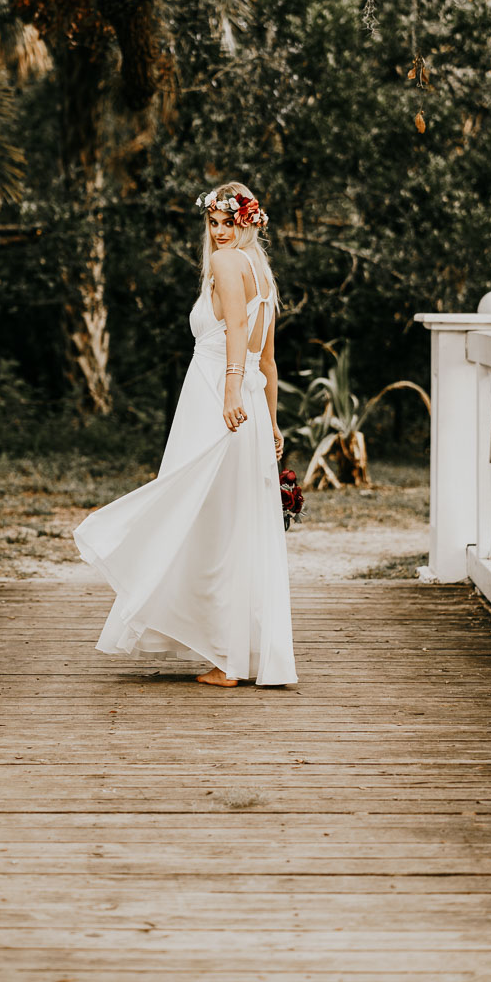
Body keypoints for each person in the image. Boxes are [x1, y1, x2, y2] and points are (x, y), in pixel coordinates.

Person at [73, 182, 297, 687]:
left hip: (219, 402)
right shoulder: (262, 271)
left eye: (228, 222)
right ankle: (233, 656)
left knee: (196, 514)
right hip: (247, 411)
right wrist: (272, 418)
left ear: (247, 222)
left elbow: (240, 332)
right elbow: (270, 358)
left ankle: (227, 657)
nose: (219, 232)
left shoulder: (226, 264)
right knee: (228, 525)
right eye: (213, 223)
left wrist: (232, 391)